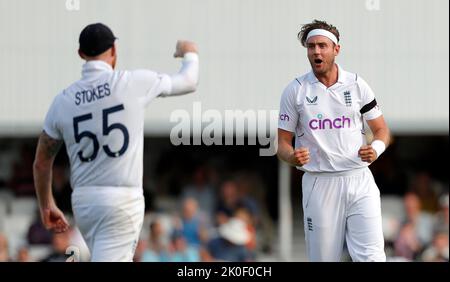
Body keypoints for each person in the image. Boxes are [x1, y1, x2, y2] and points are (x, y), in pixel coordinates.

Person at [33, 23, 199, 261]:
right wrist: (189, 51)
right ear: (113, 50)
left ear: (80, 54)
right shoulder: (132, 82)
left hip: (84, 202)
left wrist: (47, 204)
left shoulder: (62, 101)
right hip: (121, 201)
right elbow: (189, 81)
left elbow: (41, 162)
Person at [277, 20, 390, 262]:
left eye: (322, 46)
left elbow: (381, 130)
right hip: (320, 184)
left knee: (373, 257)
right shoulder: (295, 90)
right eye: (311, 46)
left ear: (336, 49)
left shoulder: (357, 84)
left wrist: (376, 149)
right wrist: (291, 156)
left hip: (360, 180)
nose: (316, 52)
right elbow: (282, 144)